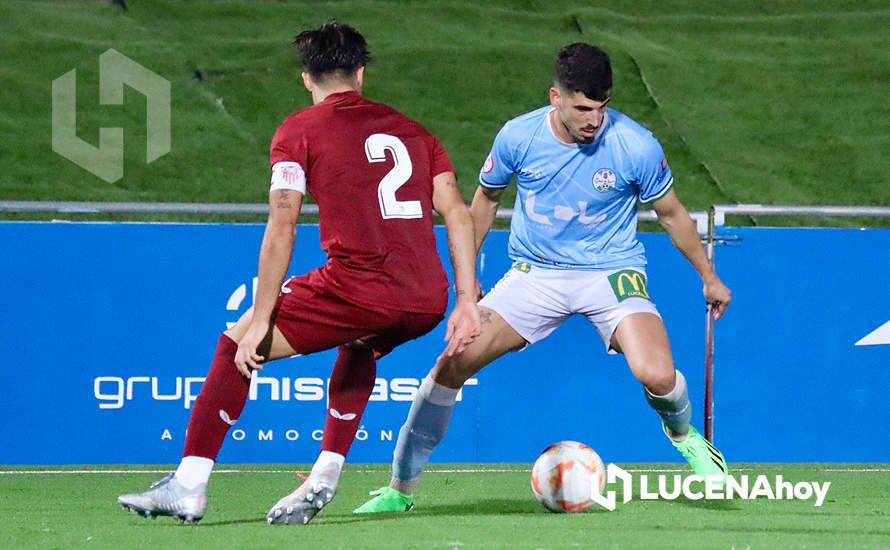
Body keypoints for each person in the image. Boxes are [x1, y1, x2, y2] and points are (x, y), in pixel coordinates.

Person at [117, 22, 480, 525]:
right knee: (359, 344)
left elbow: (283, 224)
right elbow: (458, 214)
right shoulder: (417, 134)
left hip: (359, 286)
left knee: (235, 342)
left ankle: (189, 484)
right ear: (361, 73)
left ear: (307, 79)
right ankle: (325, 475)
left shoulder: (298, 131)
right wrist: (465, 301)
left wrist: (263, 316)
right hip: (425, 298)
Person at [355, 43, 731, 514]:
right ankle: (399, 489)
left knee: (654, 373)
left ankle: (683, 435)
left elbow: (672, 213)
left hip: (611, 270)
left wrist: (708, 275)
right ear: (556, 97)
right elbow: (485, 204)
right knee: (452, 362)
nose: (594, 119)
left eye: (602, 108)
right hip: (535, 274)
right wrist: (467, 291)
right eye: (582, 108)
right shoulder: (519, 137)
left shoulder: (634, 145)